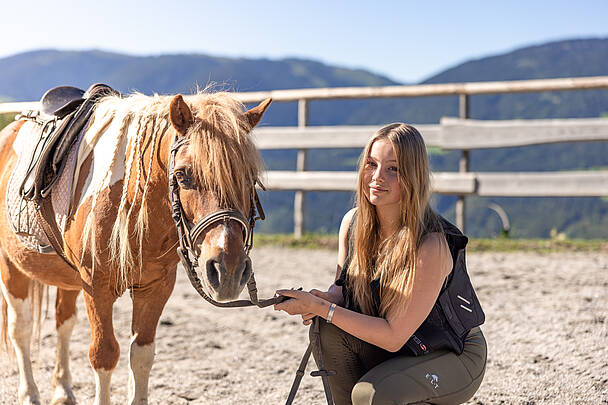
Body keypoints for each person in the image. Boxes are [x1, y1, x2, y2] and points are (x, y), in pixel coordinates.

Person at [274, 123, 487, 405]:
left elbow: (393, 336)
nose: (376, 177)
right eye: (371, 164)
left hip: (452, 353)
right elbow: (342, 292)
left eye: (393, 169)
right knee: (327, 327)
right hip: (405, 350)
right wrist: (318, 300)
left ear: (413, 177)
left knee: (373, 394)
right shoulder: (352, 224)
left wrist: (324, 309)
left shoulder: (431, 244)